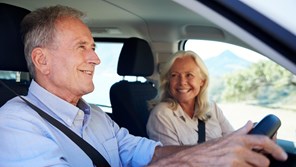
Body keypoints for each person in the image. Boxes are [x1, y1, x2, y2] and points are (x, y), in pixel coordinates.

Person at [0, 5, 287, 167]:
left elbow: (146, 153)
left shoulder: (95, 116)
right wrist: (195, 159)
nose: (96, 58)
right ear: (42, 60)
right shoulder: (14, 123)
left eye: (94, 46)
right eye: (82, 47)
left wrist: (221, 148)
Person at [147, 50, 234, 145]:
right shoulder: (162, 114)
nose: (182, 82)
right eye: (174, 75)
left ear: (202, 81)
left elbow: (234, 141)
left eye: (189, 75)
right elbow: (173, 158)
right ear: (168, 81)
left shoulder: (211, 107)